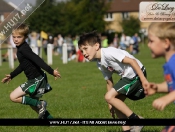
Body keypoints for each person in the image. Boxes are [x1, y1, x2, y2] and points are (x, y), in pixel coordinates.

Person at [78, 31, 149, 132]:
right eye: (81, 51)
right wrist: (110, 104)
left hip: (136, 74)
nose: (84, 53)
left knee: (109, 97)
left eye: (85, 49)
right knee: (115, 102)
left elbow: (132, 61)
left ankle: (136, 120)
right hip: (128, 76)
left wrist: (143, 80)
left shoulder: (109, 53)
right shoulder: (99, 63)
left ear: (96, 46)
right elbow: (109, 82)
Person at [1, 23, 61, 119]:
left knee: (13, 97)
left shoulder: (24, 49)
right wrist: (12, 75)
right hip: (35, 79)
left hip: (37, 79)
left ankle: (40, 103)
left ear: (25, 37)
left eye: (19, 37)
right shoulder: (21, 48)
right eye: (14, 37)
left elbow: (37, 59)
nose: (15, 39)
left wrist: (52, 71)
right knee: (33, 105)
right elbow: (23, 66)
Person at [146, 22, 175, 132]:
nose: (148, 45)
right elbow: (172, 86)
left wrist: (167, 98)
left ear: (166, 43)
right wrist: (157, 88)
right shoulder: (170, 63)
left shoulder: (174, 62)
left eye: (151, 41)